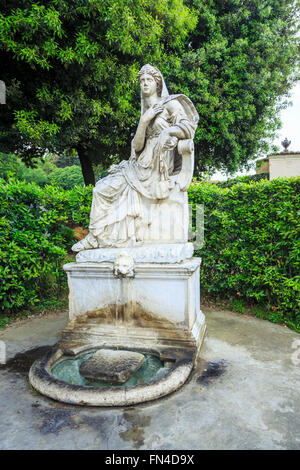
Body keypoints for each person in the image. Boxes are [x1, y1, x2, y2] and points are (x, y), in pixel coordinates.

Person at [72, 64, 198, 251]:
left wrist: (167, 133)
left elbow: (189, 128)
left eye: (149, 80)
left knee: (102, 190)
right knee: (100, 189)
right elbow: (137, 146)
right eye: (142, 81)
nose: (145, 83)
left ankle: (95, 237)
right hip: (141, 164)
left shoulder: (170, 104)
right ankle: (97, 235)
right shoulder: (145, 113)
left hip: (159, 165)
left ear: (157, 83)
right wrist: (144, 121)